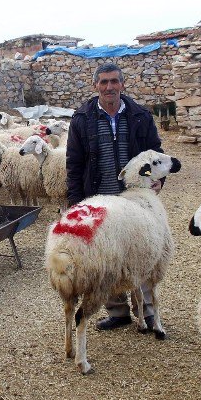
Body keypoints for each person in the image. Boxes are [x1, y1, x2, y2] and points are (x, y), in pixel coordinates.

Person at [66, 61, 164, 331]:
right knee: (107, 255)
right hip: (100, 196)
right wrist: (75, 204)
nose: (109, 87)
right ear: (95, 85)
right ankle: (117, 311)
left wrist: (158, 180)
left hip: (135, 199)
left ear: (122, 84)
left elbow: (155, 153)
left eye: (114, 81)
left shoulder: (139, 116)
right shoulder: (82, 119)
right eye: (104, 82)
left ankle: (147, 311)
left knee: (142, 251)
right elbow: (74, 163)